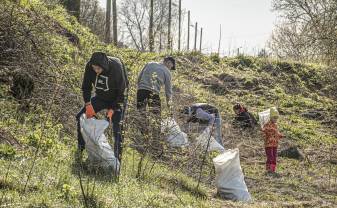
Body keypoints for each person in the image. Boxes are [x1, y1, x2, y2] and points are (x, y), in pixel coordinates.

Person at [75, 52, 127, 162]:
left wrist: (112, 109)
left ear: (104, 66)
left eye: (98, 69)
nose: (96, 71)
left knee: (118, 128)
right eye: (94, 68)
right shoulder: (90, 67)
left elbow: (122, 92)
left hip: (117, 99)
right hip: (101, 97)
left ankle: (117, 162)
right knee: (80, 116)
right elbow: (86, 87)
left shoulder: (116, 67)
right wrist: (88, 105)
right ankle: (80, 150)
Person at [136, 56, 175, 153]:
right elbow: (168, 92)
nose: (171, 68)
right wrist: (170, 108)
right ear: (169, 63)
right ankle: (156, 146)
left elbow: (139, 79)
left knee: (141, 117)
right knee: (157, 119)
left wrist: (142, 86)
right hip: (153, 94)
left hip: (141, 92)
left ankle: (143, 142)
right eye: (172, 66)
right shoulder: (167, 71)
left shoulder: (149, 63)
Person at [262, 108, 283, 174]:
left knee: (274, 157)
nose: (276, 119)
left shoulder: (275, 125)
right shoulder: (267, 124)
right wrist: (267, 133)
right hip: (268, 144)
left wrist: (280, 135)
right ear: (270, 117)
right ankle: (268, 169)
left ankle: (273, 169)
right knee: (270, 157)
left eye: (277, 118)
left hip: (275, 144)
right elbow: (264, 131)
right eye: (274, 118)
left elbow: (276, 133)